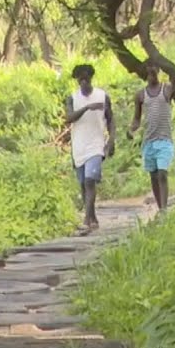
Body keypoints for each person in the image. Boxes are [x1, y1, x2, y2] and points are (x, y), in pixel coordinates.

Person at [126, 59, 175, 213]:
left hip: (165, 139)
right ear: (145, 75)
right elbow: (137, 119)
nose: (152, 75)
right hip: (149, 141)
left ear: (159, 71)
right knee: (154, 176)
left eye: (154, 71)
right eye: (149, 73)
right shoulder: (140, 95)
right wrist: (131, 130)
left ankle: (164, 210)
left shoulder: (168, 90)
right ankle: (161, 208)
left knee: (162, 173)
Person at [63, 63, 114, 233]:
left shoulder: (102, 96)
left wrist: (111, 140)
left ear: (91, 78)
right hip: (79, 146)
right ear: (77, 81)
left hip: (96, 145)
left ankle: (86, 220)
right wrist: (86, 108)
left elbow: (111, 119)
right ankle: (93, 218)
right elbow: (69, 118)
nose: (84, 82)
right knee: (83, 185)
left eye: (86, 78)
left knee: (90, 180)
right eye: (80, 79)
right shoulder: (72, 98)